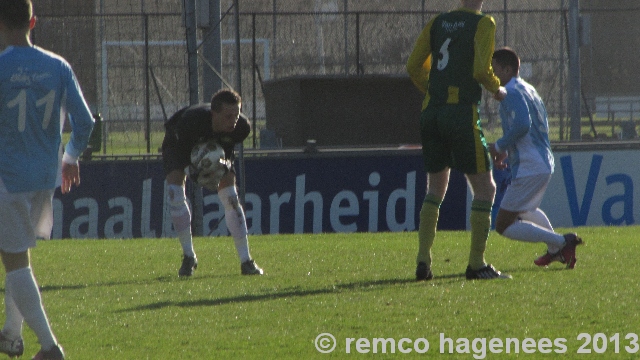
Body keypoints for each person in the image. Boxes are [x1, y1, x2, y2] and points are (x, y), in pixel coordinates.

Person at [0, 0, 95, 359]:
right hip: (44, 177)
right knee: (14, 252)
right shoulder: (57, 66)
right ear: (33, 21)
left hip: (6, 177)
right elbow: (84, 123)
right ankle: (10, 335)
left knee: (15, 260)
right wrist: (70, 157)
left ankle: (49, 346)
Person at [407, 0, 510, 281]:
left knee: (435, 189)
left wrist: (434, 89)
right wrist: (496, 88)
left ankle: (423, 261)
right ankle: (476, 264)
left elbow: (413, 65)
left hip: (431, 112)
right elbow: (480, 69)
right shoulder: (483, 23)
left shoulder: (438, 22)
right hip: (460, 112)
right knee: (486, 189)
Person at [489, 47, 583, 269]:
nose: (493, 76)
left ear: (508, 69)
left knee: (503, 225)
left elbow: (522, 124)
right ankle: (557, 250)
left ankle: (562, 242)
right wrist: (509, 150)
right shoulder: (528, 89)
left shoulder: (510, 91)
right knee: (525, 211)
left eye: (495, 70)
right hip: (542, 162)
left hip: (530, 165)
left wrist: (501, 145)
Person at [162, 89, 264, 277]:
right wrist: (194, 171)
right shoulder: (191, 122)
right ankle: (188, 256)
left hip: (214, 146)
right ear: (214, 113)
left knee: (231, 196)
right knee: (175, 192)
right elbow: (182, 153)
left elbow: (226, 153)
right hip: (178, 143)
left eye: (236, 114)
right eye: (227, 116)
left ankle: (246, 261)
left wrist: (220, 167)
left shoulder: (241, 127)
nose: (233, 120)